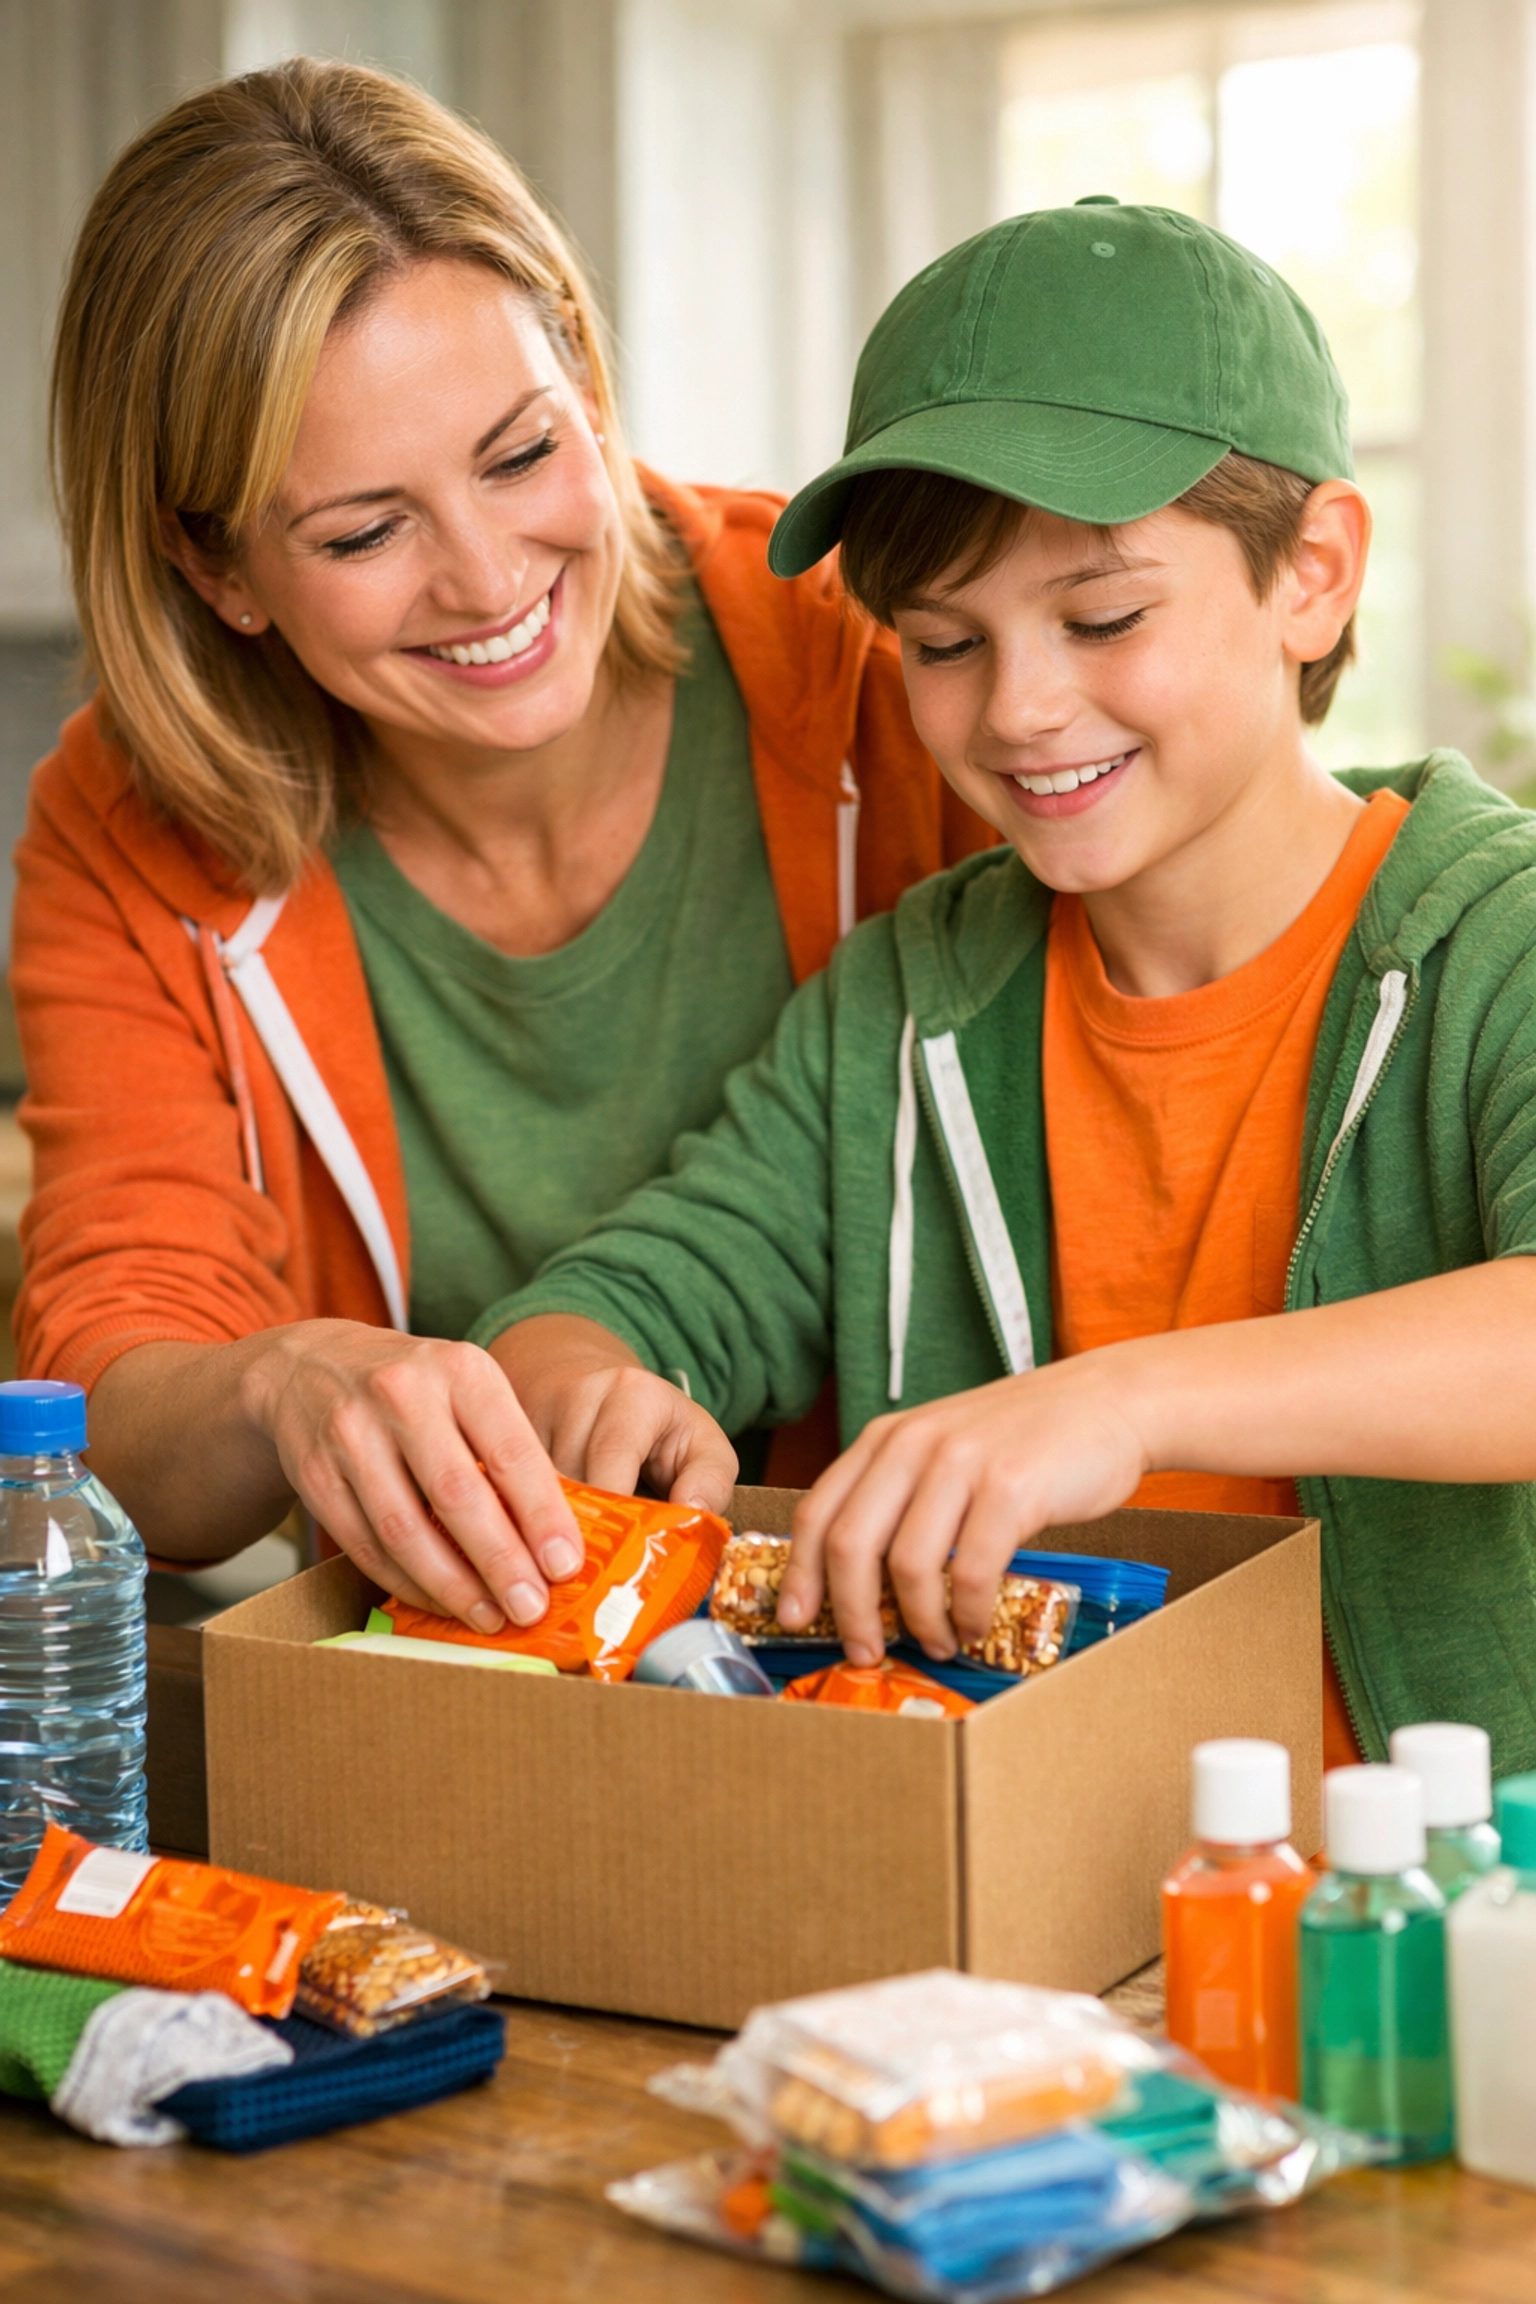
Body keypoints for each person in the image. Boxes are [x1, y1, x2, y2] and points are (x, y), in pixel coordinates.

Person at [488, 199, 1536, 1775]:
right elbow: (602, 1310)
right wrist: (592, 1396)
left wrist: (1114, 1407)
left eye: (1102, 616)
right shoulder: (911, 1003)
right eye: (943, 644)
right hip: (1031, 1927)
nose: (1023, 709)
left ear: (1311, 574)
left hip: (1441, 1931)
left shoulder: (1495, 939)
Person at [13, 58, 992, 1634]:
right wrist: (284, 1385)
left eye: (524, 452)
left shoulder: (879, 659)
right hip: (470, 1697)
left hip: (924, 1654)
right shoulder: (132, 830)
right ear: (217, 567)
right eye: (362, 532)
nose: (485, 579)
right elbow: (107, 1406)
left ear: (589, 387)